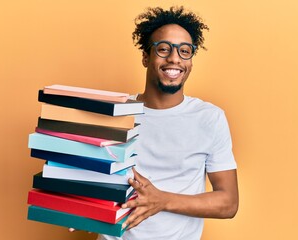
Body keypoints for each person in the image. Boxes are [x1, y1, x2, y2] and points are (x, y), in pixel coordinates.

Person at [97, 6, 239, 240]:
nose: (174, 58)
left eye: (185, 51)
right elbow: (88, 178)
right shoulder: (114, 113)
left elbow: (228, 202)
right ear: (145, 56)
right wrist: (76, 209)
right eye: (163, 49)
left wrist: (162, 201)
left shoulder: (209, 118)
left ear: (191, 61)